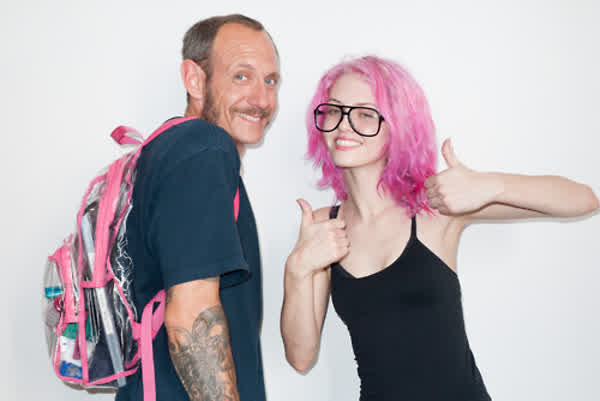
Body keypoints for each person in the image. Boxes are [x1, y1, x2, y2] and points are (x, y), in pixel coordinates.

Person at [280, 55, 598, 401]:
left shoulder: (434, 207)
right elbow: (300, 357)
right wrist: (297, 269)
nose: (344, 125)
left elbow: (583, 199)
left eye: (365, 114)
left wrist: (491, 185)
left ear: (398, 126)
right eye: (335, 110)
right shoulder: (322, 225)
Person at [116, 14, 279, 401]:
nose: (261, 99)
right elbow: (191, 313)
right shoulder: (204, 148)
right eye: (242, 76)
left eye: (270, 80)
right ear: (194, 79)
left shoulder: (169, 149)